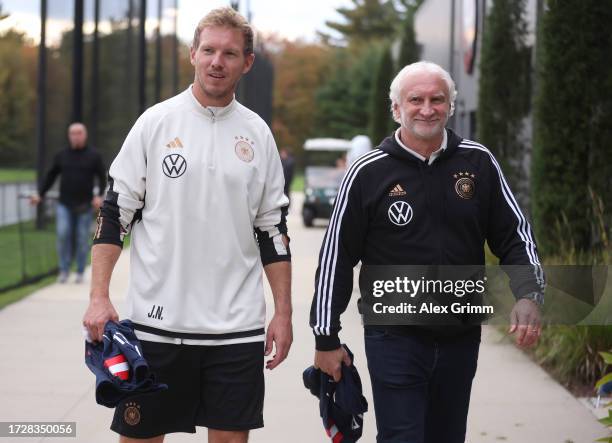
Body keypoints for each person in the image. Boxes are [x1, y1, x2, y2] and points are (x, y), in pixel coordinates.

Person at [82, 7, 292, 443]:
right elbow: (114, 213)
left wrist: (283, 312)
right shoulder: (155, 123)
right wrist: (99, 297)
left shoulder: (257, 134)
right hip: (156, 325)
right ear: (192, 54)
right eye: (209, 50)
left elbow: (272, 229)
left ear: (246, 63)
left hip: (236, 329)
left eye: (230, 53)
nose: (218, 61)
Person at [310, 61, 545, 443]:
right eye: (415, 99)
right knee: (402, 437)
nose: (427, 108)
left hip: (460, 335)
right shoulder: (368, 172)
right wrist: (325, 337)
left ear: (450, 106)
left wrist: (528, 293)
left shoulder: (478, 163)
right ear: (396, 108)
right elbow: (336, 255)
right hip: (394, 337)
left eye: (437, 99)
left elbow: (515, 234)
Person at [30, 122, 106, 284]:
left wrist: (99, 196)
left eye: (79, 133)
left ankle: (79, 271)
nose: (76, 136)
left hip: (85, 205)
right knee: (63, 234)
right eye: (73, 133)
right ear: (69, 135)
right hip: (64, 204)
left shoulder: (94, 155)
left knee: (81, 238)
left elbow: (102, 177)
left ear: (84, 135)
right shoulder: (61, 155)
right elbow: (51, 176)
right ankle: (64, 270)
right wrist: (40, 194)